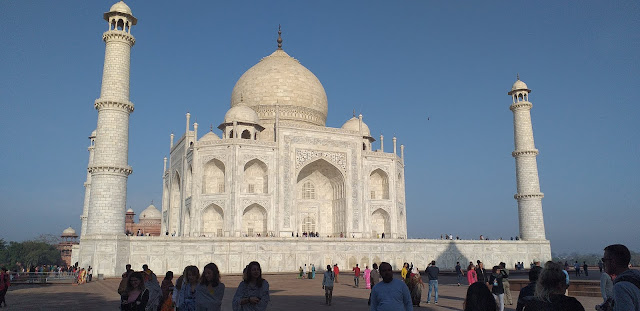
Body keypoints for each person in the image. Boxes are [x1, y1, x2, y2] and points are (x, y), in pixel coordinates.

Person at [603, 244, 640, 311]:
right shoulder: (636, 277)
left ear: (613, 262)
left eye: (604, 260)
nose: (604, 263)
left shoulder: (620, 287)